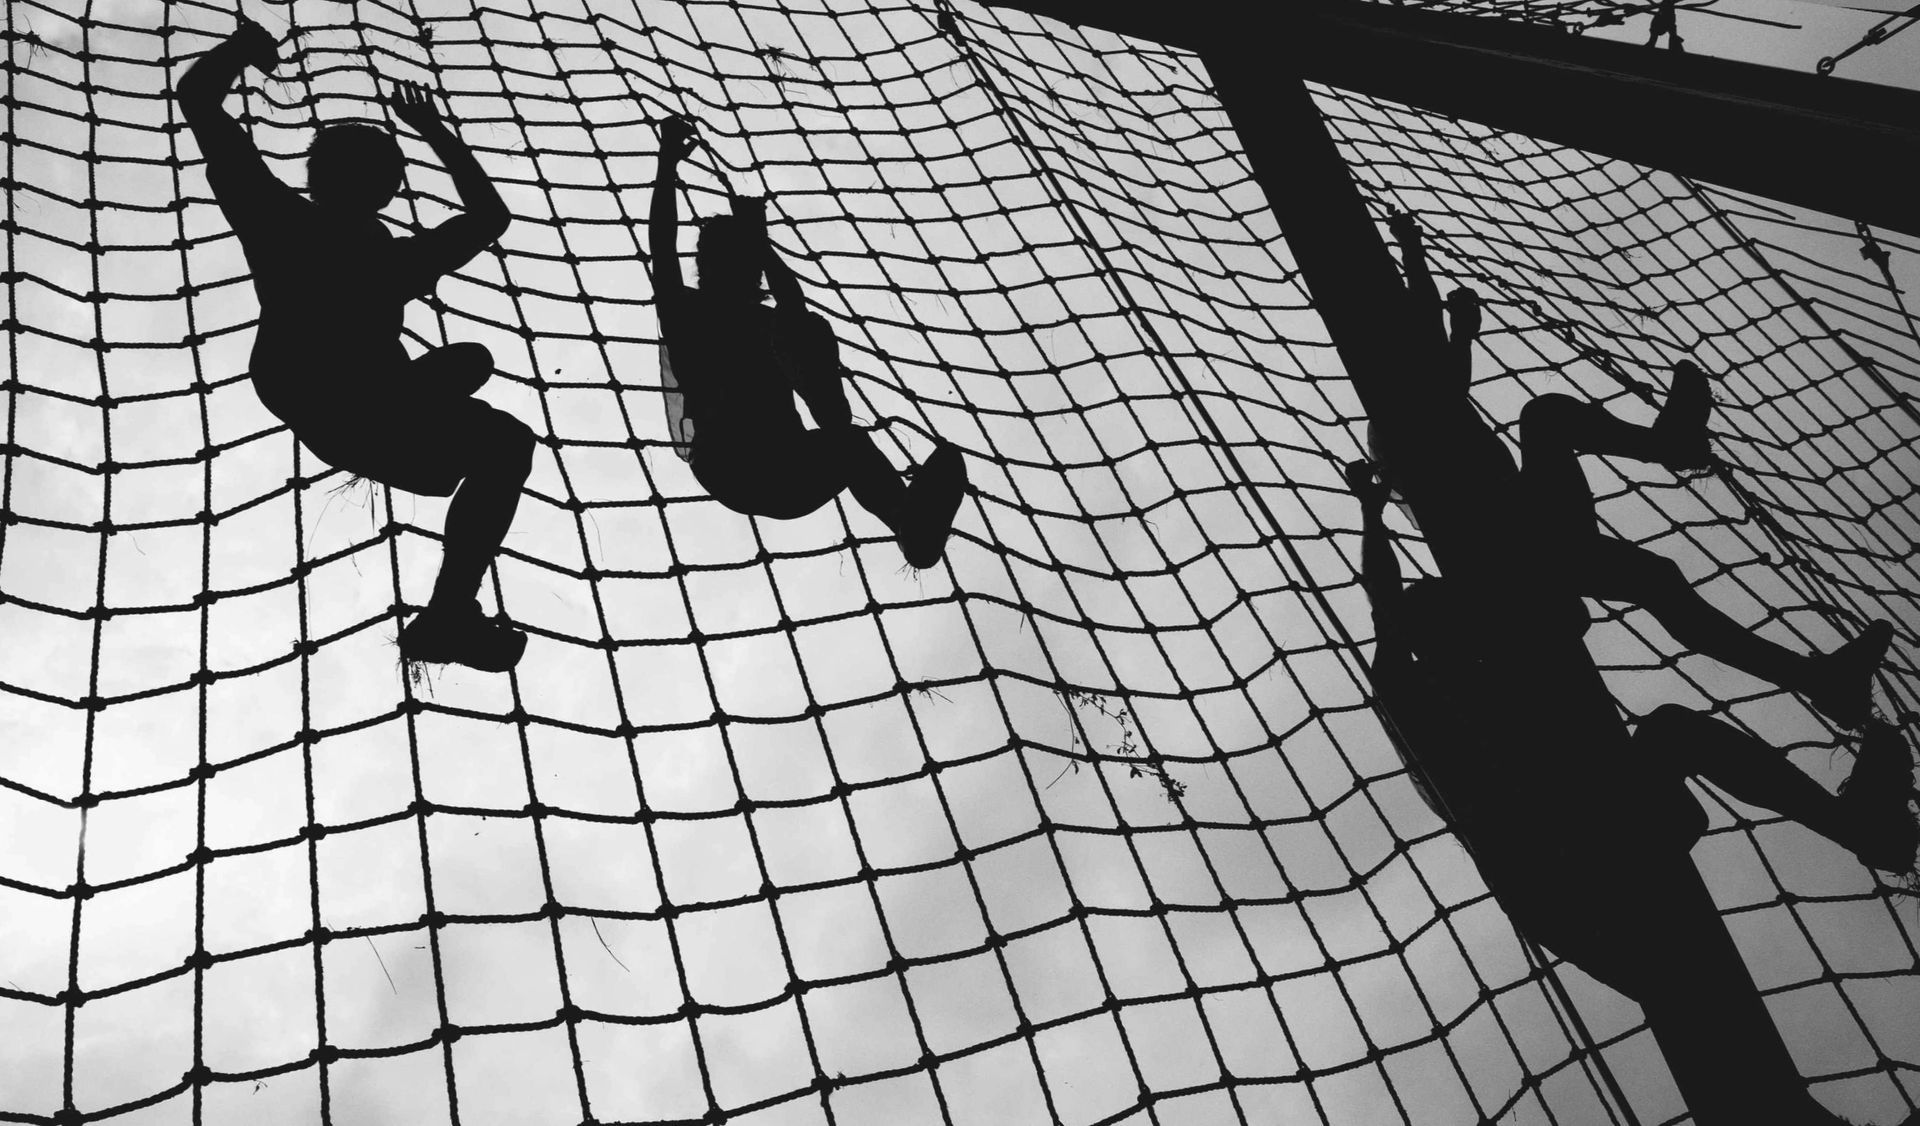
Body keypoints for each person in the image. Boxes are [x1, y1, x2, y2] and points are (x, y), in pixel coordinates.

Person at [1376, 211, 1892, 731]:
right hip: (1506, 551)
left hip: (1524, 529)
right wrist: (1444, 304)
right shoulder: (1402, 416)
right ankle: (1668, 444)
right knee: (1547, 420)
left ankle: (1820, 682)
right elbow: (1433, 362)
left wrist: (1420, 263)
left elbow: (1425, 334)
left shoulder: (1416, 401)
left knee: (1655, 577)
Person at [1350, 458, 1918, 879]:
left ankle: (1855, 823)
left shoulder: (1457, 669)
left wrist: (1373, 514)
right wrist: (1372, 515)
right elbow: (1386, 600)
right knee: (1673, 729)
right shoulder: (1418, 685)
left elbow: (1391, 602)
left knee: (1673, 728)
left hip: (1584, 832)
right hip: (1576, 853)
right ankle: (1855, 826)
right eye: (1453, 612)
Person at [175, 17, 534, 672]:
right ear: (387, 190)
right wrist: (435, 135)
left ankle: (450, 611)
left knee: (473, 371)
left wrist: (241, 50)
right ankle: (451, 608)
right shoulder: (380, 257)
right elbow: (489, 217)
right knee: (495, 419)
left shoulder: (281, 218)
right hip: (361, 406)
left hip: (338, 409)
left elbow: (197, 98)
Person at [647, 116, 967, 567]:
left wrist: (757, 241)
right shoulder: (689, 314)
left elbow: (789, 302)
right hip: (737, 464)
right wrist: (667, 167)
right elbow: (661, 245)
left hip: (780, 465)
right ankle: (903, 518)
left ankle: (908, 525)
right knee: (842, 426)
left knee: (846, 432)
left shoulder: (762, 321)